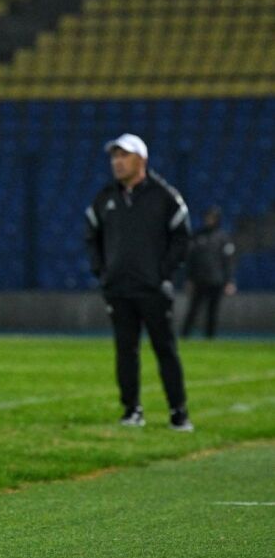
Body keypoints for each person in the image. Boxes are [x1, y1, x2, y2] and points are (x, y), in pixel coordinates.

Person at [85, 133, 194, 432]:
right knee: (125, 351)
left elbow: (182, 238)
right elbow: (91, 236)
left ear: (141, 159)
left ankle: (178, 412)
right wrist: (102, 271)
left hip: (152, 288)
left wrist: (163, 272)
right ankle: (131, 409)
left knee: (165, 349)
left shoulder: (164, 196)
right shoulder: (105, 197)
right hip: (118, 288)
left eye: (124, 156)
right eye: (114, 156)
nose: (117, 162)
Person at [181, 206, 236, 338]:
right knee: (193, 310)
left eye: (212, 218)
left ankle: (210, 337)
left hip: (216, 280)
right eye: (208, 217)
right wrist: (189, 279)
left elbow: (228, 261)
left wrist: (229, 281)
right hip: (199, 280)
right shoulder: (197, 236)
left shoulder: (223, 238)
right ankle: (185, 335)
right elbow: (191, 259)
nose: (209, 220)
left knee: (212, 311)